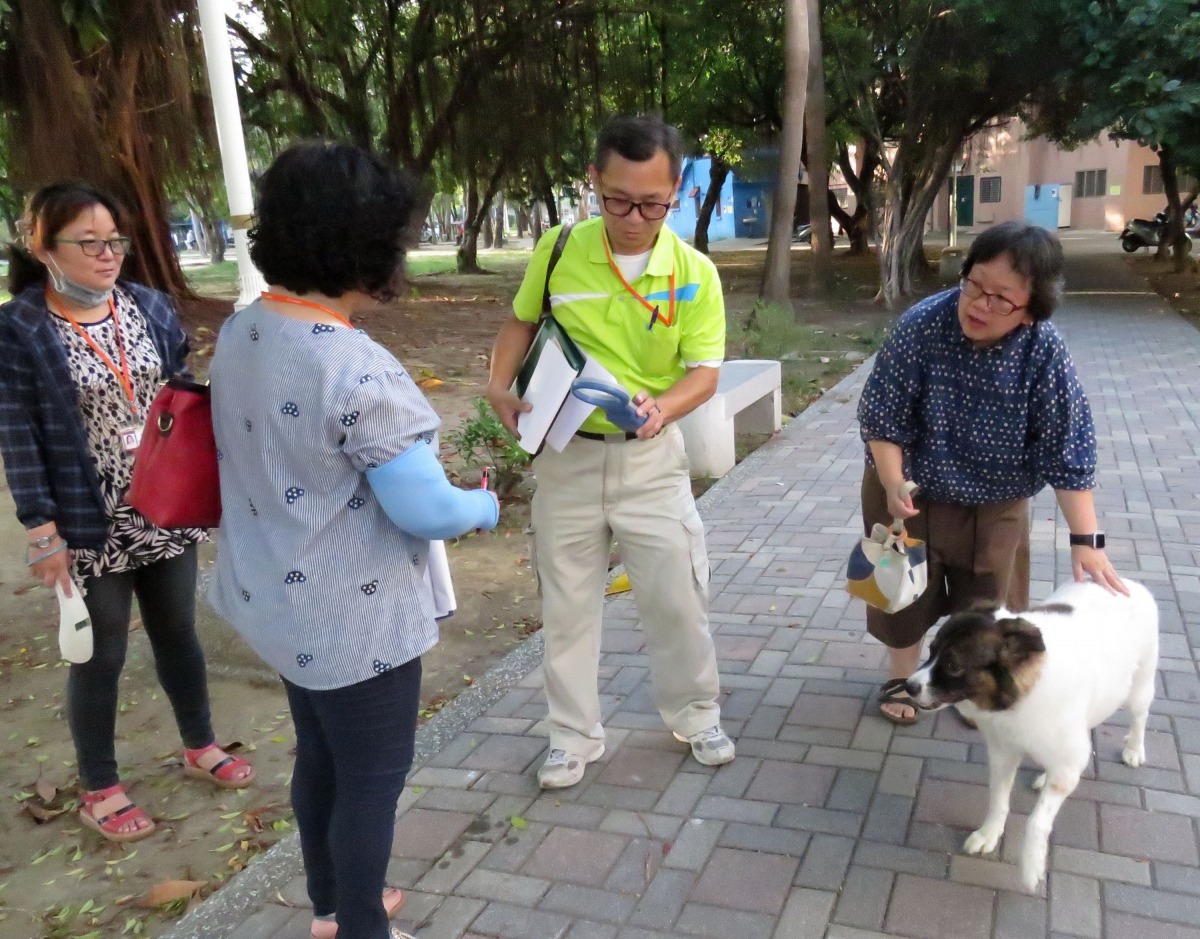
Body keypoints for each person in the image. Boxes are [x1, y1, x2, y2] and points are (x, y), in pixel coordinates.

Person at [208, 141, 498, 939]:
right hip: (354, 621)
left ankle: (331, 906)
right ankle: (362, 927)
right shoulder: (354, 367)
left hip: (279, 603)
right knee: (371, 781)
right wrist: (482, 507)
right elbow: (426, 509)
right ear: (365, 243)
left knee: (321, 757)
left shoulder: (242, 329)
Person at [0, 182, 253, 843]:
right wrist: (41, 528)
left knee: (178, 632)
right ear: (42, 247)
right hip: (87, 517)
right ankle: (100, 786)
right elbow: (17, 432)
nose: (107, 253)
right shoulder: (19, 327)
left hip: (162, 504)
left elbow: (180, 393)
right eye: (87, 242)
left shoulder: (150, 305)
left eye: (114, 239)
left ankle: (200, 743)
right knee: (100, 653)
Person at [487, 115, 734, 790]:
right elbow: (522, 321)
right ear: (593, 180)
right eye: (617, 200)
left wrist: (666, 407)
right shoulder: (559, 249)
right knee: (567, 607)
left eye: (653, 204)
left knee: (677, 597)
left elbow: (704, 373)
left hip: (650, 461)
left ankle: (696, 714)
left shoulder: (693, 273)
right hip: (566, 456)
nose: (633, 219)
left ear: (676, 191)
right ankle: (571, 737)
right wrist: (498, 383)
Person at [857, 220, 1127, 725]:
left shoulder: (1044, 352)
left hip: (996, 501)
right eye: (975, 284)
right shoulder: (922, 325)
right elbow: (882, 415)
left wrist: (1087, 541)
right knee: (899, 594)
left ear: (1031, 310)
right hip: (907, 491)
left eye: (1002, 298)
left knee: (988, 603)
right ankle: (902, 676)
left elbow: (1067, 450)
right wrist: (892, 480)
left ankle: (966, 686)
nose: (980, 304)